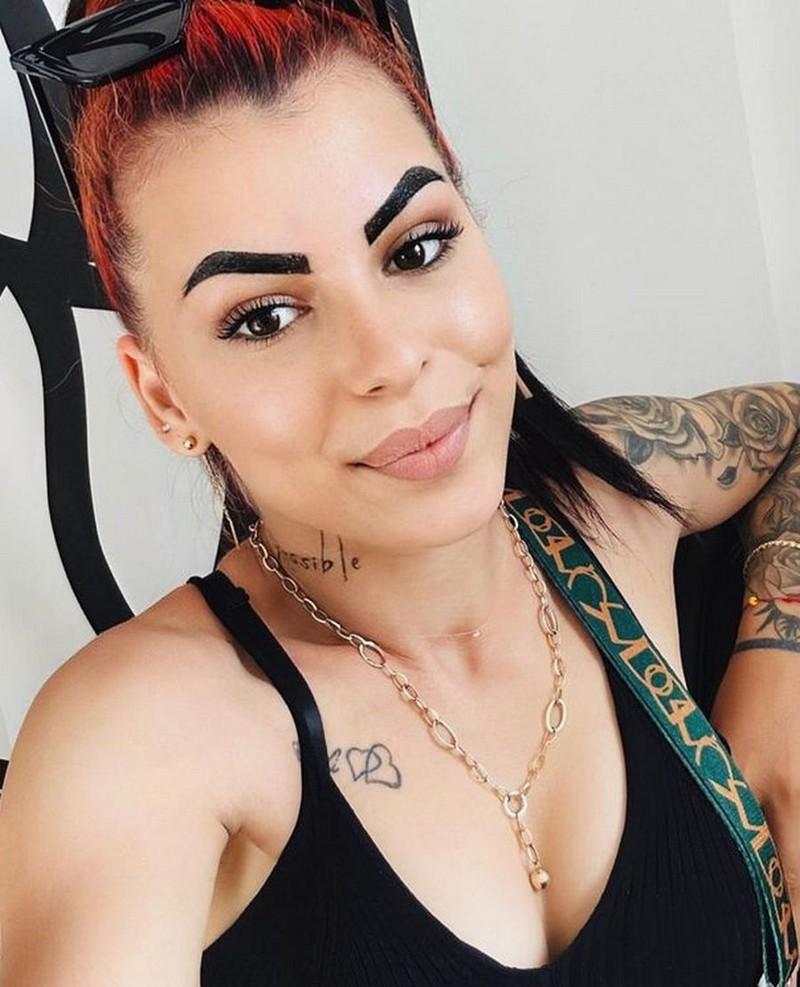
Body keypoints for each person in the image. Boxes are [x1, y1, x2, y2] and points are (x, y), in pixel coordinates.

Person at [1, 1, 798, 984]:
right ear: (164, 398)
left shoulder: (602, 498)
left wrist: (779, 669)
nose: (389, 359)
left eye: (415, 249)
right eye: (266, 317)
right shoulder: (146, 736)